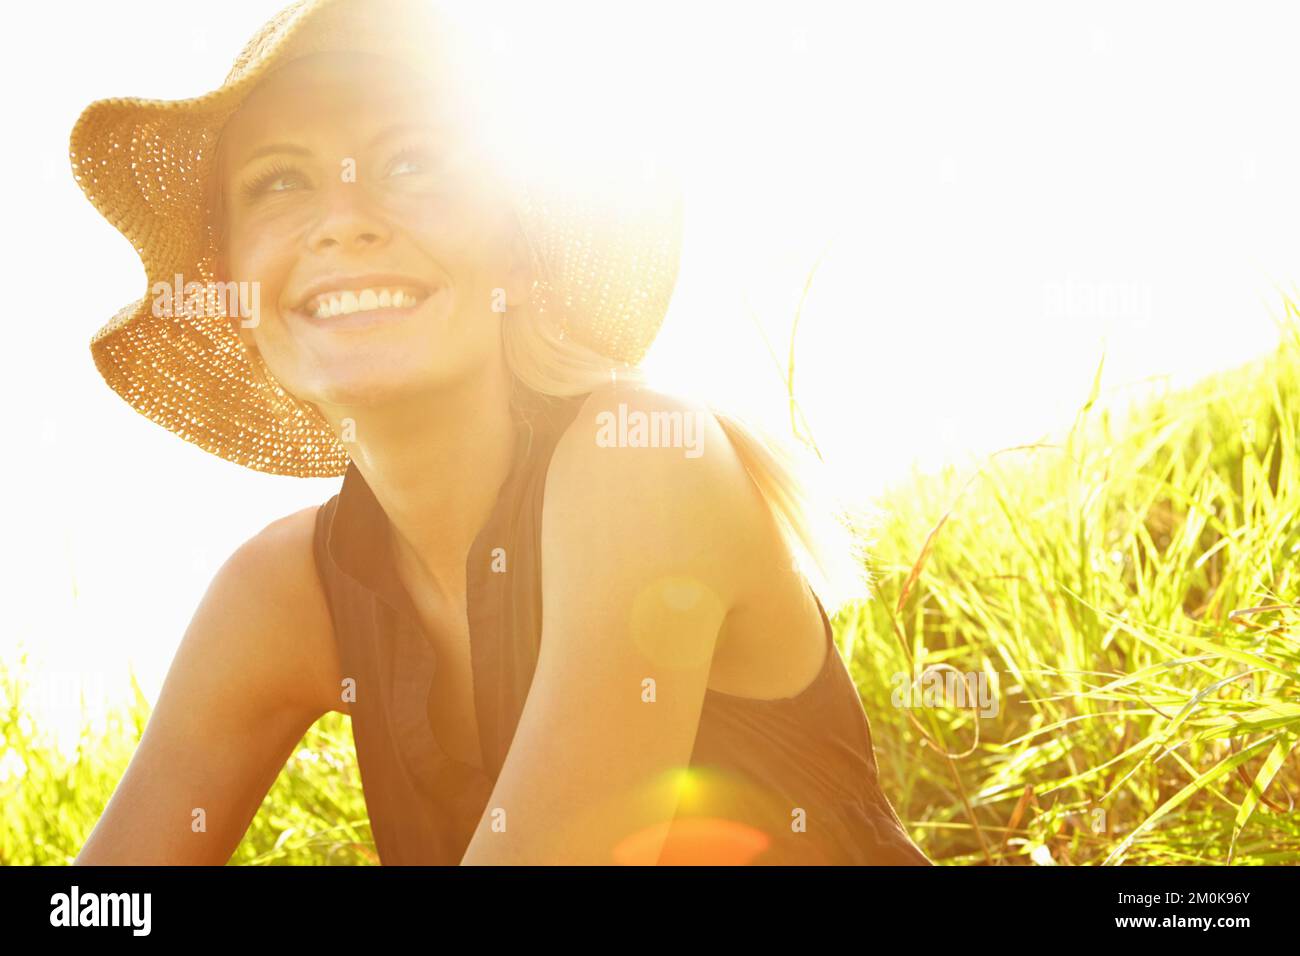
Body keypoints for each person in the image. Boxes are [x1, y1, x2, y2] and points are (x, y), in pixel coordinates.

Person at [68, 0, 931, 865]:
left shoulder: (642, 463)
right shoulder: (281, 591)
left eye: (409, 163)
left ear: (518, 249)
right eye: (280, 182)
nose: (345, 219)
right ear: (232, 286)